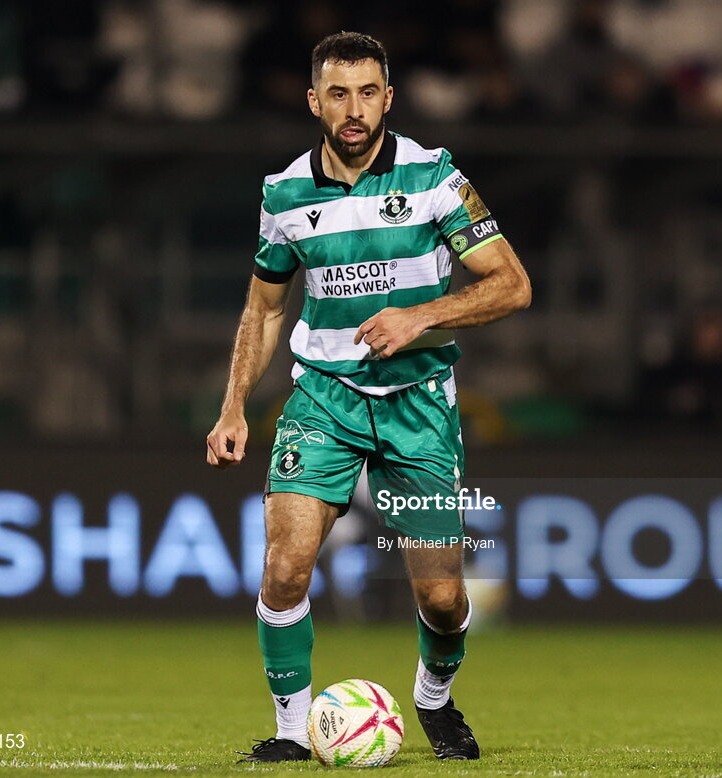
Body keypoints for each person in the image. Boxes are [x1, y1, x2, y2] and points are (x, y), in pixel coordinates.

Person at [206, 32, 531, 763]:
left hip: (418, 405)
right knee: (286, 566)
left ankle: (433, 700)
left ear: (388, 98)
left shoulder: (434, 179)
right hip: (324, 400)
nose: (354, 110)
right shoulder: (284, 194)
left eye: (368, 93)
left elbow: (513, 284)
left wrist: (423, 316)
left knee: (442, 599)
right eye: (338, 94)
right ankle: (291, 733)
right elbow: (263, 311)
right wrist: (232, 407)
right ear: (315, 101)